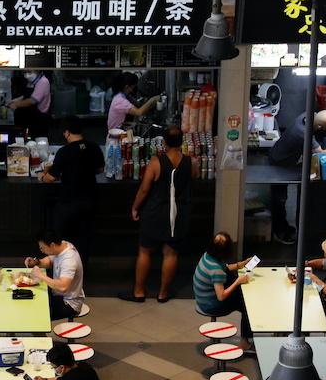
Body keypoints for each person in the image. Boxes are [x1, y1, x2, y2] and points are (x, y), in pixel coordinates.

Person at [120, 126, 195, 302]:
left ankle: (139, 292)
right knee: (171, 253)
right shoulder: (192, 162)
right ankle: (163, 293)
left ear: (164, 142)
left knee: (145, 251)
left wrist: (135, 207)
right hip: (178, 213)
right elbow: (192, 180)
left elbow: (144, 189)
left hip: (156, 212)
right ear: (182, 141)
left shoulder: (156, 162)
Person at [268, 110, 326, 244]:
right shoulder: (303, 133)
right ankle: (279, 231)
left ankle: (287, 226)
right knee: (280, 198)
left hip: (290, 157)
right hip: (280, 162)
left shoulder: (309, 115)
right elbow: (321, 153)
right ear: (320, 128)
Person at [40, 116, 104, 264]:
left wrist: (41, 177)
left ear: (67, 133)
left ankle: (63, 270)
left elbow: (51, 177)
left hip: (69, 203)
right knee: (84, 239)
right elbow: (100, 169)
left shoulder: (64, 152)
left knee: (62, 239)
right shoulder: (94, 147)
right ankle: (81, 271)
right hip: (90, 201)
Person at [193, 232, 255, 348]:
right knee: (247, 305)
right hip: (211, 304)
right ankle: (245, 342)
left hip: (203, 298)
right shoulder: (216, 270)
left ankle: (247, 338)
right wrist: (238, 282)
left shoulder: (208, 255)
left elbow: (224, 267)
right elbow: (221, 296)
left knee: (238, 288)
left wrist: (240, 264)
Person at [23, 230, 85, 321]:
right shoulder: (62, 245)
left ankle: (40, 334)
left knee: (34, 315)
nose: (42, 251)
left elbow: (63, 286)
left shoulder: (69, 260)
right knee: (30, 301)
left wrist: (41, 276)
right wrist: (36, 262)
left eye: (42, 248)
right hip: (58, 295)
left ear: (52, 245)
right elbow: (49, 261)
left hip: (69, 303)